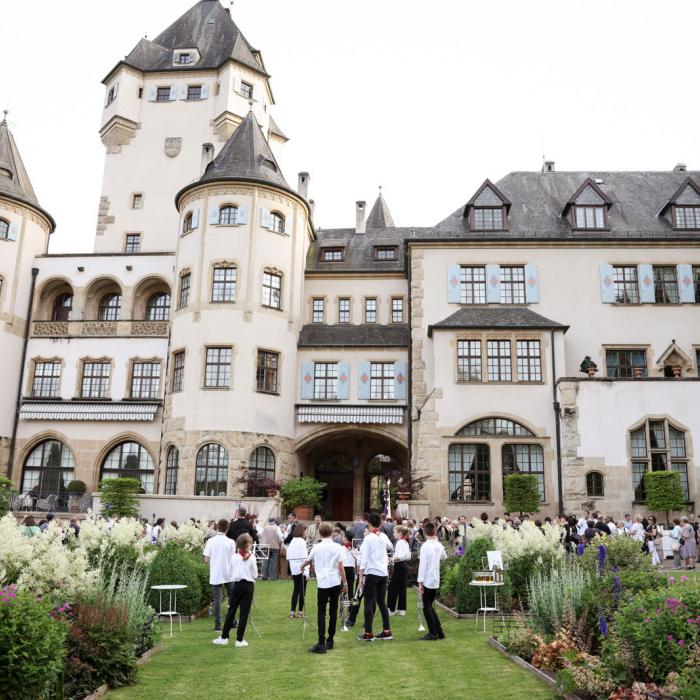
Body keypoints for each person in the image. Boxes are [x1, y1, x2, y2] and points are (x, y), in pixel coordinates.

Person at [302, 522, 348, 654]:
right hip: (334, 581)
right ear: (332, 532)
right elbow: (341, 567)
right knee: (333, 612)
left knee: (321, 612)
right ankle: (330, 640)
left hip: (323, 583)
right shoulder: (337, 547)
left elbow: (309, 560)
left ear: (320, 533)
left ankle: (321, 642)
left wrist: (302, 566)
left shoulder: (317, 547)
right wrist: (344, 583)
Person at [214, 533, 257, 648]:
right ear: (248, 545)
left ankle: (224, 637)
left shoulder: (234, 557)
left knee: (231, 611)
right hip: (248, 586)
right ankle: (239, 639)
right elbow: (255, 574)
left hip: (237, 585)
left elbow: (230, 571)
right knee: (244, 613)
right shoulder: (252, 557)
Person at [357, 513, 393, 641]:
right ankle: (387, 630)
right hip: (383, 573)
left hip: (372, 572)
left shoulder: (369, 538)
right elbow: (391, 546)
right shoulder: (382, 536)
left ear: (369, 524)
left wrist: (361, 576)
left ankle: (368, 633)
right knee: (381, 602)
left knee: (368, 602)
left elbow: (364, 558)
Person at [204, 518, 235, 632]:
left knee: (217, 598)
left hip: (216, 572)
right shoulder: (231, 542)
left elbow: (206, 559)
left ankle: (218, 624)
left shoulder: (211, 541)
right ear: (227, 529)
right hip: (228, 572)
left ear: (217, 527)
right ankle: (232, 621)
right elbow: (233, 558)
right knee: (231, 597)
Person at [417, 521, 447, 640]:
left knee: (427, 606)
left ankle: (433, 632)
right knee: (429, 605)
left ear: (424, 533)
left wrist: (420, 582)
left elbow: (422, 565)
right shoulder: (438, 545)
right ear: (434, 532)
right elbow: (444, 557)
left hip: (428, 578)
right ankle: (439, 631)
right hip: (435, 577)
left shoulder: (425, 546)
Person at [388, 525, 410, 616]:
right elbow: (408, 556)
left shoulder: (400, 542)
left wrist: (391, 559)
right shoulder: (404, 542)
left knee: (392, 587)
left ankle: (391, 609)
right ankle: (401, 609)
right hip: (403, 566)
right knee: (401, 588)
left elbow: (400, 556)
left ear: (400, 533)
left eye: (394, 532)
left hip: (400, 566)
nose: (393, 534)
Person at [287, 523, 308, 618]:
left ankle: (292, 612)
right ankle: (300, 612)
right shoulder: (302, 542)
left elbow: (289, 557)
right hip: (302, 568)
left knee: (296, 590)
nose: (306, 532)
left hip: (294, 568)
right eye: (305, 530)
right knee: (302, 591)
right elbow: (305, 557)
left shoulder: (292, 541)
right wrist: (306, 571)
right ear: (301, 531)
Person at [341, 530, 357, 597]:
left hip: (343, 569)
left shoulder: (341, 548)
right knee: (350, 589)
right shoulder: (354, 548)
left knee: (342, 587)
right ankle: (350, 607)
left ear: (346, 538)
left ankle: (342, 606)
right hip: (351, 569)